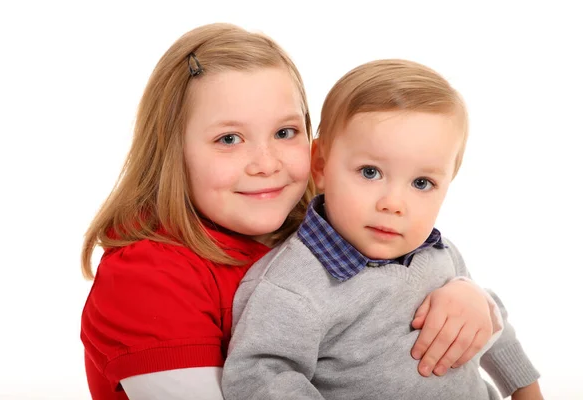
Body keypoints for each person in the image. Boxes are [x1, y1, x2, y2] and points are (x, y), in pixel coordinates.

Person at [80, 24, 504, 400]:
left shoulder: (323, 233)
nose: (265, 163)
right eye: (229, 139)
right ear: (173, 152)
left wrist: (467, 293)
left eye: (285, 132)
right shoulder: (148, 278)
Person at [221, 59, 542, 400]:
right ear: (321, 165)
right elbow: (262, 376)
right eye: (370, 172)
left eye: (422, 182)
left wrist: (527, 391)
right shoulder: (294, 287)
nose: (393, 203)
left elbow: (489, 328)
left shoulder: (439, 253)